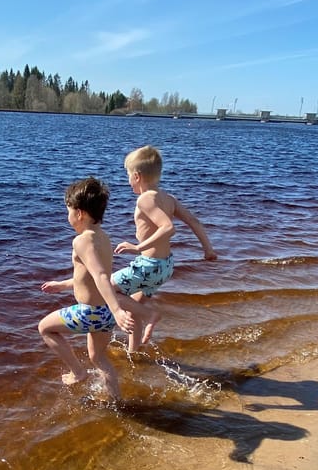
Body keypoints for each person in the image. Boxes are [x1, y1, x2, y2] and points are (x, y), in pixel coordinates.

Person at [38, 177, 142, 401]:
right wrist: (63, 285)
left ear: (79, 213)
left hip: (91, 312)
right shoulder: (103, 237)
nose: (67, 215)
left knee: (45, 328)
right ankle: (117, 401)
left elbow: (100, 276)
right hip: (104, 313)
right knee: (98, 358)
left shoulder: (81, 241)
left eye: (68, 210)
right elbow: (90, 277)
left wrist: (118, 310)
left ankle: (78, 372)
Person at [112, 145, 217, 351]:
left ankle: (151, 315)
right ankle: (134, 352)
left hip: (149, 265)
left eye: (128, 175)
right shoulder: (169, 199)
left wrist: (137, 247)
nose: (128, 180)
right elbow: (194, 221)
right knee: (134, 308)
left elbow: (168, 228)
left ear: (137, 176)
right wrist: (208, 249)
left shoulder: (145, 199)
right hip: (165, 266)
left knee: (103, 288)